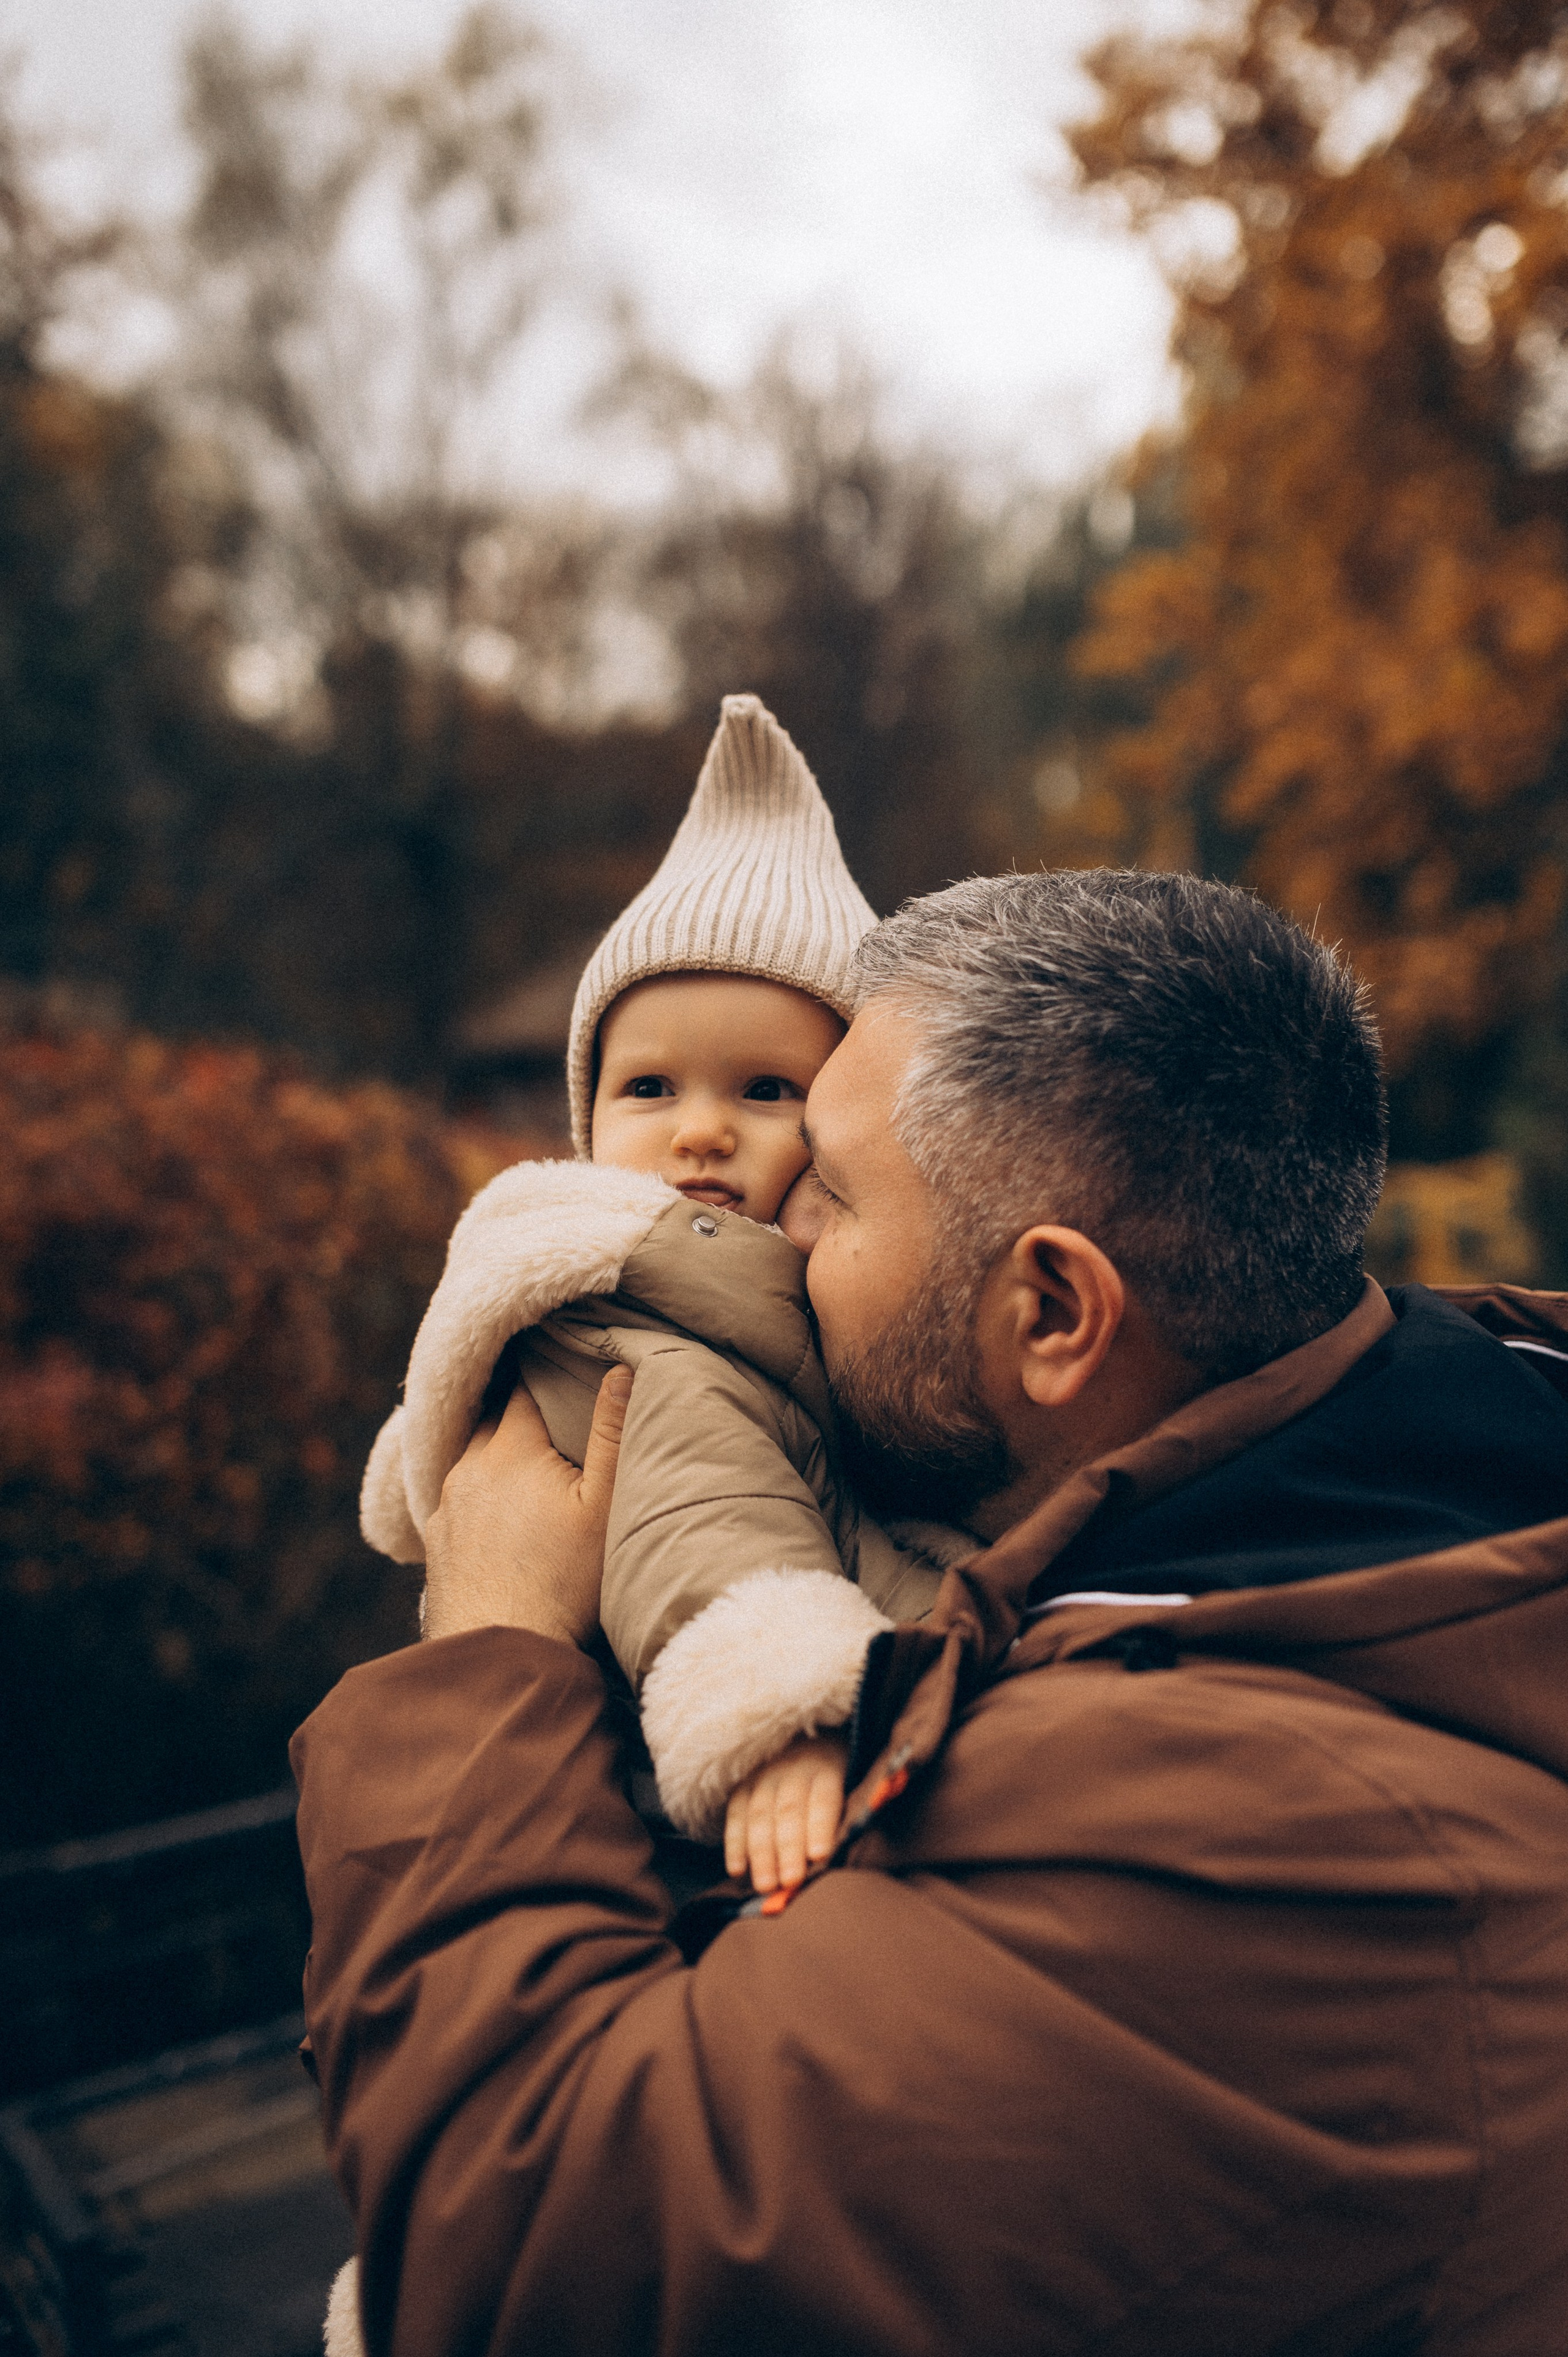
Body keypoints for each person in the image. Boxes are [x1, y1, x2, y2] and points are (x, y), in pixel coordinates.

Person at [298, 868, 1568, 2357]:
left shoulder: (1223, 1828)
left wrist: (489, 1646)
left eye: (825, 1188)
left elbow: (530, 2250)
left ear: (1049, 1315)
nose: (761, 1209)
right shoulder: (1457, 1459)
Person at [360, 692, 949, 1871]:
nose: (700, 1134)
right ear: (587, 1119)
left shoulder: (757, 1302)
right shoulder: (644, 1327)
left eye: (766, 1090)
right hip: (663, 1791)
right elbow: (703, 1510)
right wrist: (778, 1715)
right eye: (649, 1090)